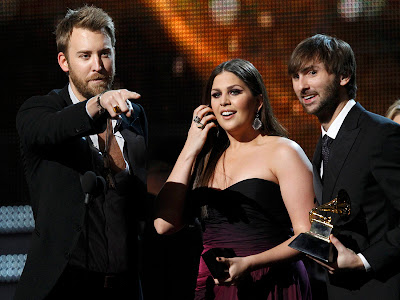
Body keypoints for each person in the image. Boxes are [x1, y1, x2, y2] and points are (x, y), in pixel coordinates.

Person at [15, 5, 148, 300]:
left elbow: (136, 203)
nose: (97, 65)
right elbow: (49, 129)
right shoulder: (40, 110)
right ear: (64, 61)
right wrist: (97, 104)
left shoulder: (134, 114)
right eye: (85, 56)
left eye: (105, 53)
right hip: (62, 286)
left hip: (123, 287)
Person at [154, 58, 315, 299]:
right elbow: (163, 225)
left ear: (258, 101)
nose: (224, 102)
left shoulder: (283, 151)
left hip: (272, 284)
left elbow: (310, 235)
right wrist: (190, 147)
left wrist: (249, 263)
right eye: (216, 95)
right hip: (215, 288)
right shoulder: (205, 159)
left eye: (235, 92)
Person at [288, 33, 400, 299]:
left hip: (381, 287)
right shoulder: (325, 142)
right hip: (339, 289)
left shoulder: (380, 134)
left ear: (344, 76)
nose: (302, 85)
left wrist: (364, 260)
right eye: (296, 76)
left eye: (312, 73)